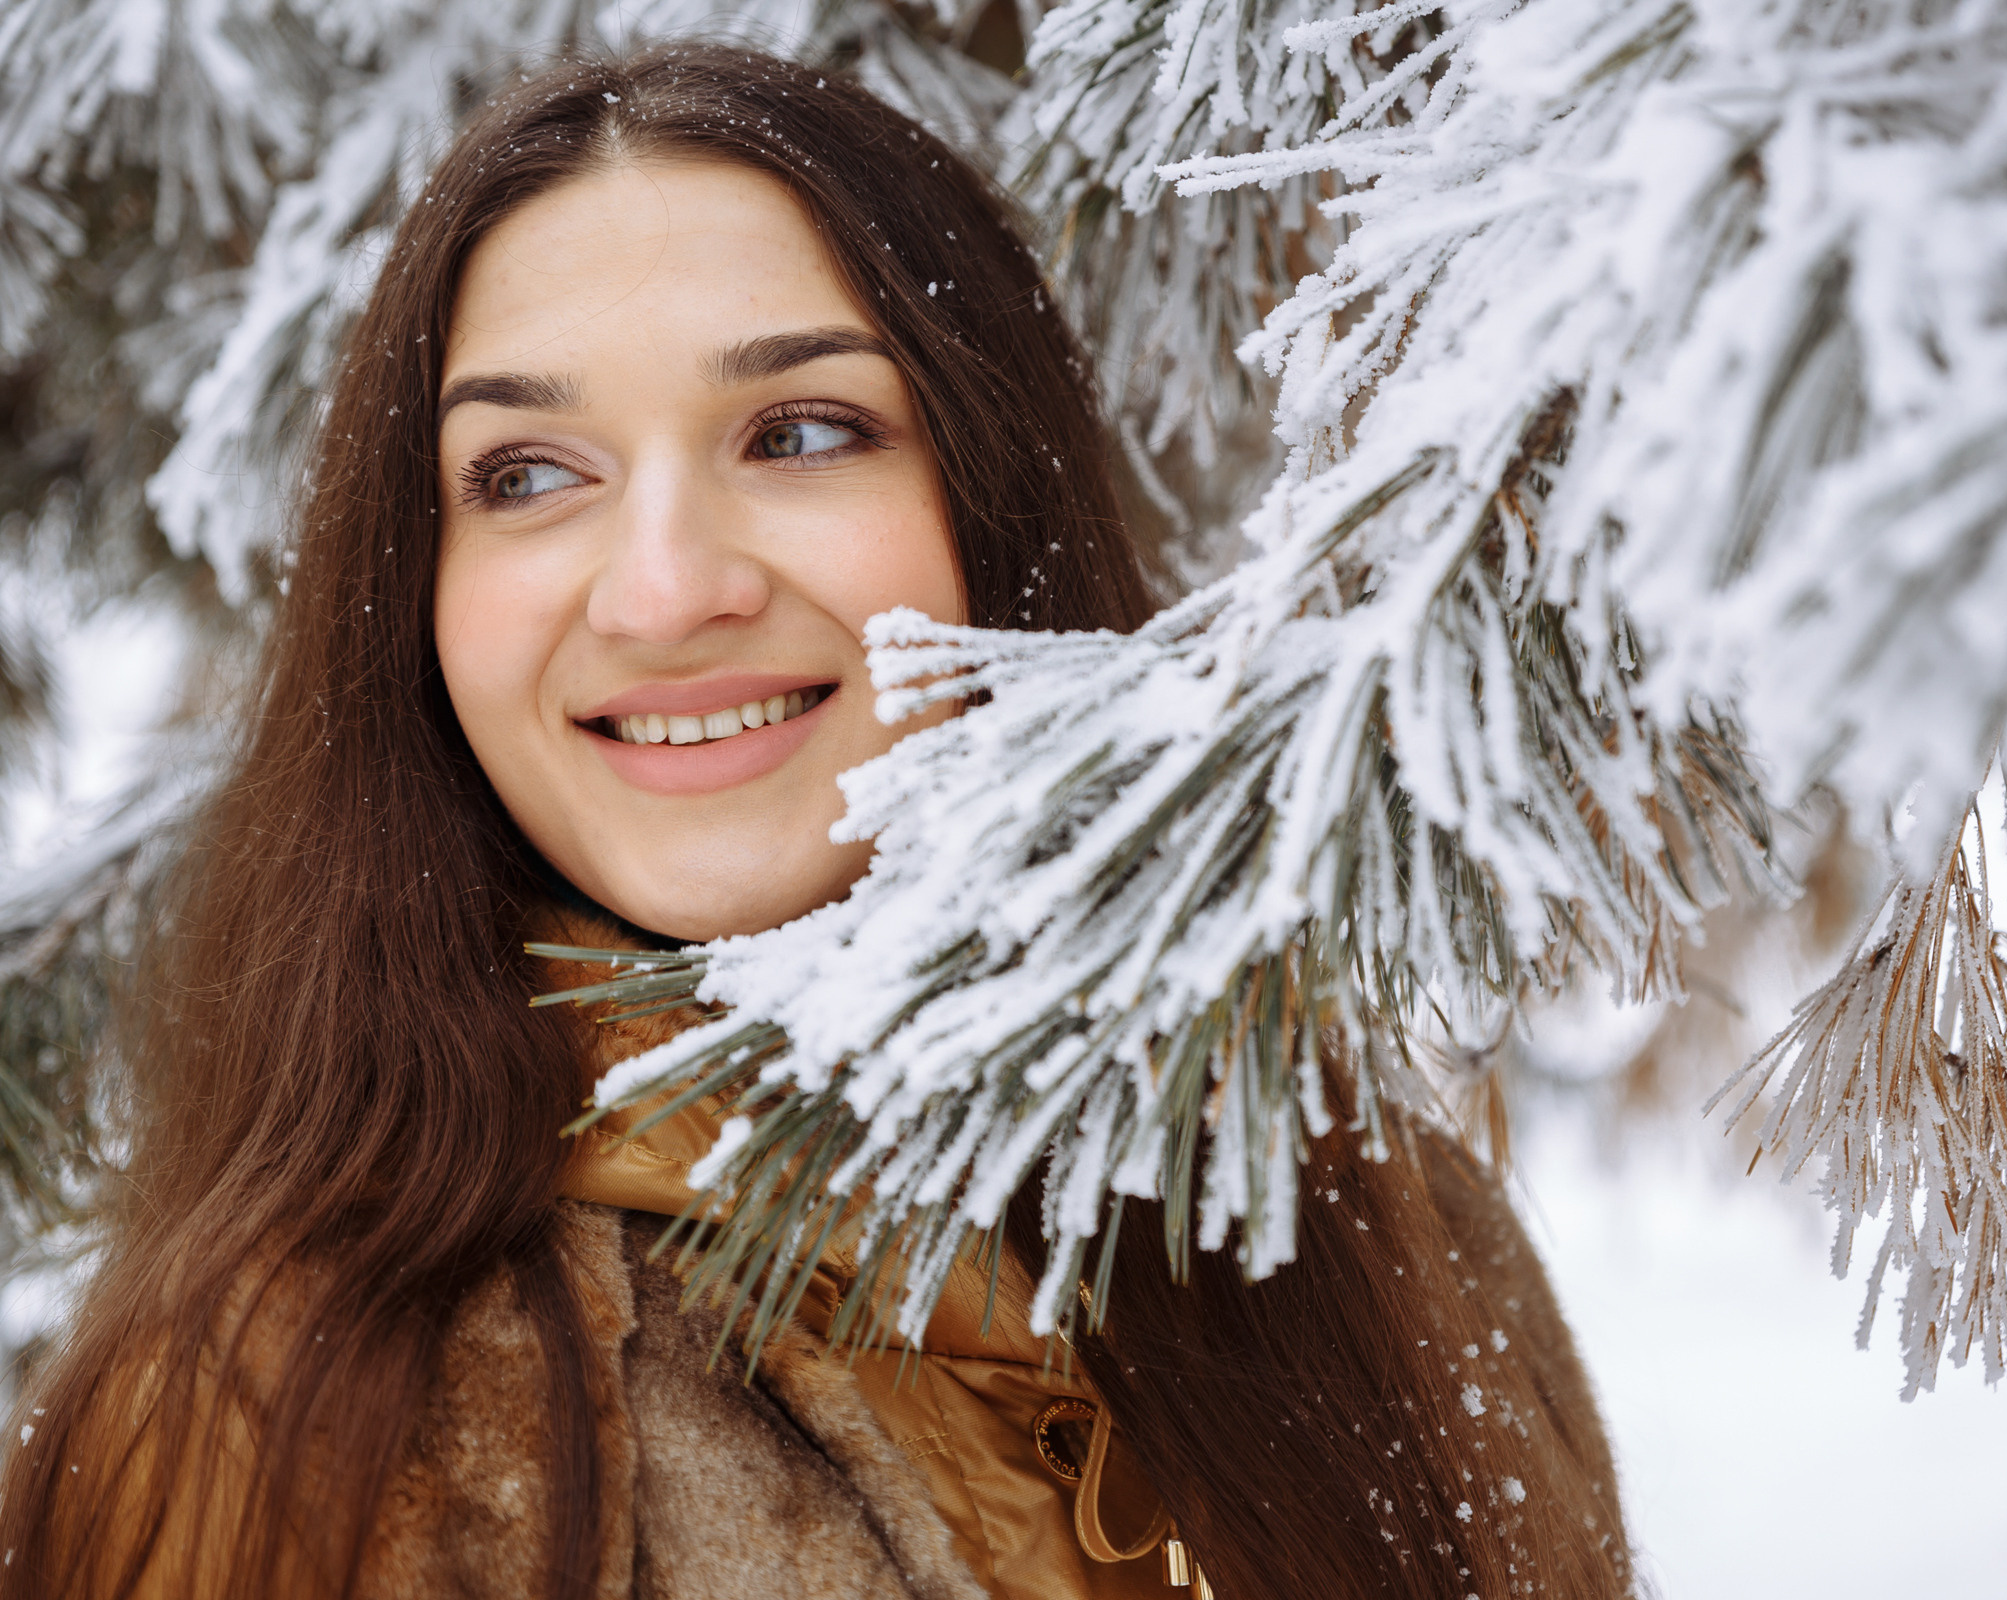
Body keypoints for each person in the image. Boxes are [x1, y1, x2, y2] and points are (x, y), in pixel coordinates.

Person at [0, 44, 1632, 1600]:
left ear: (1001, 508)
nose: (661, 593)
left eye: (799, 434)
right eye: (526, 473)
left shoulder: (1364, 1213)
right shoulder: (273, 1415)